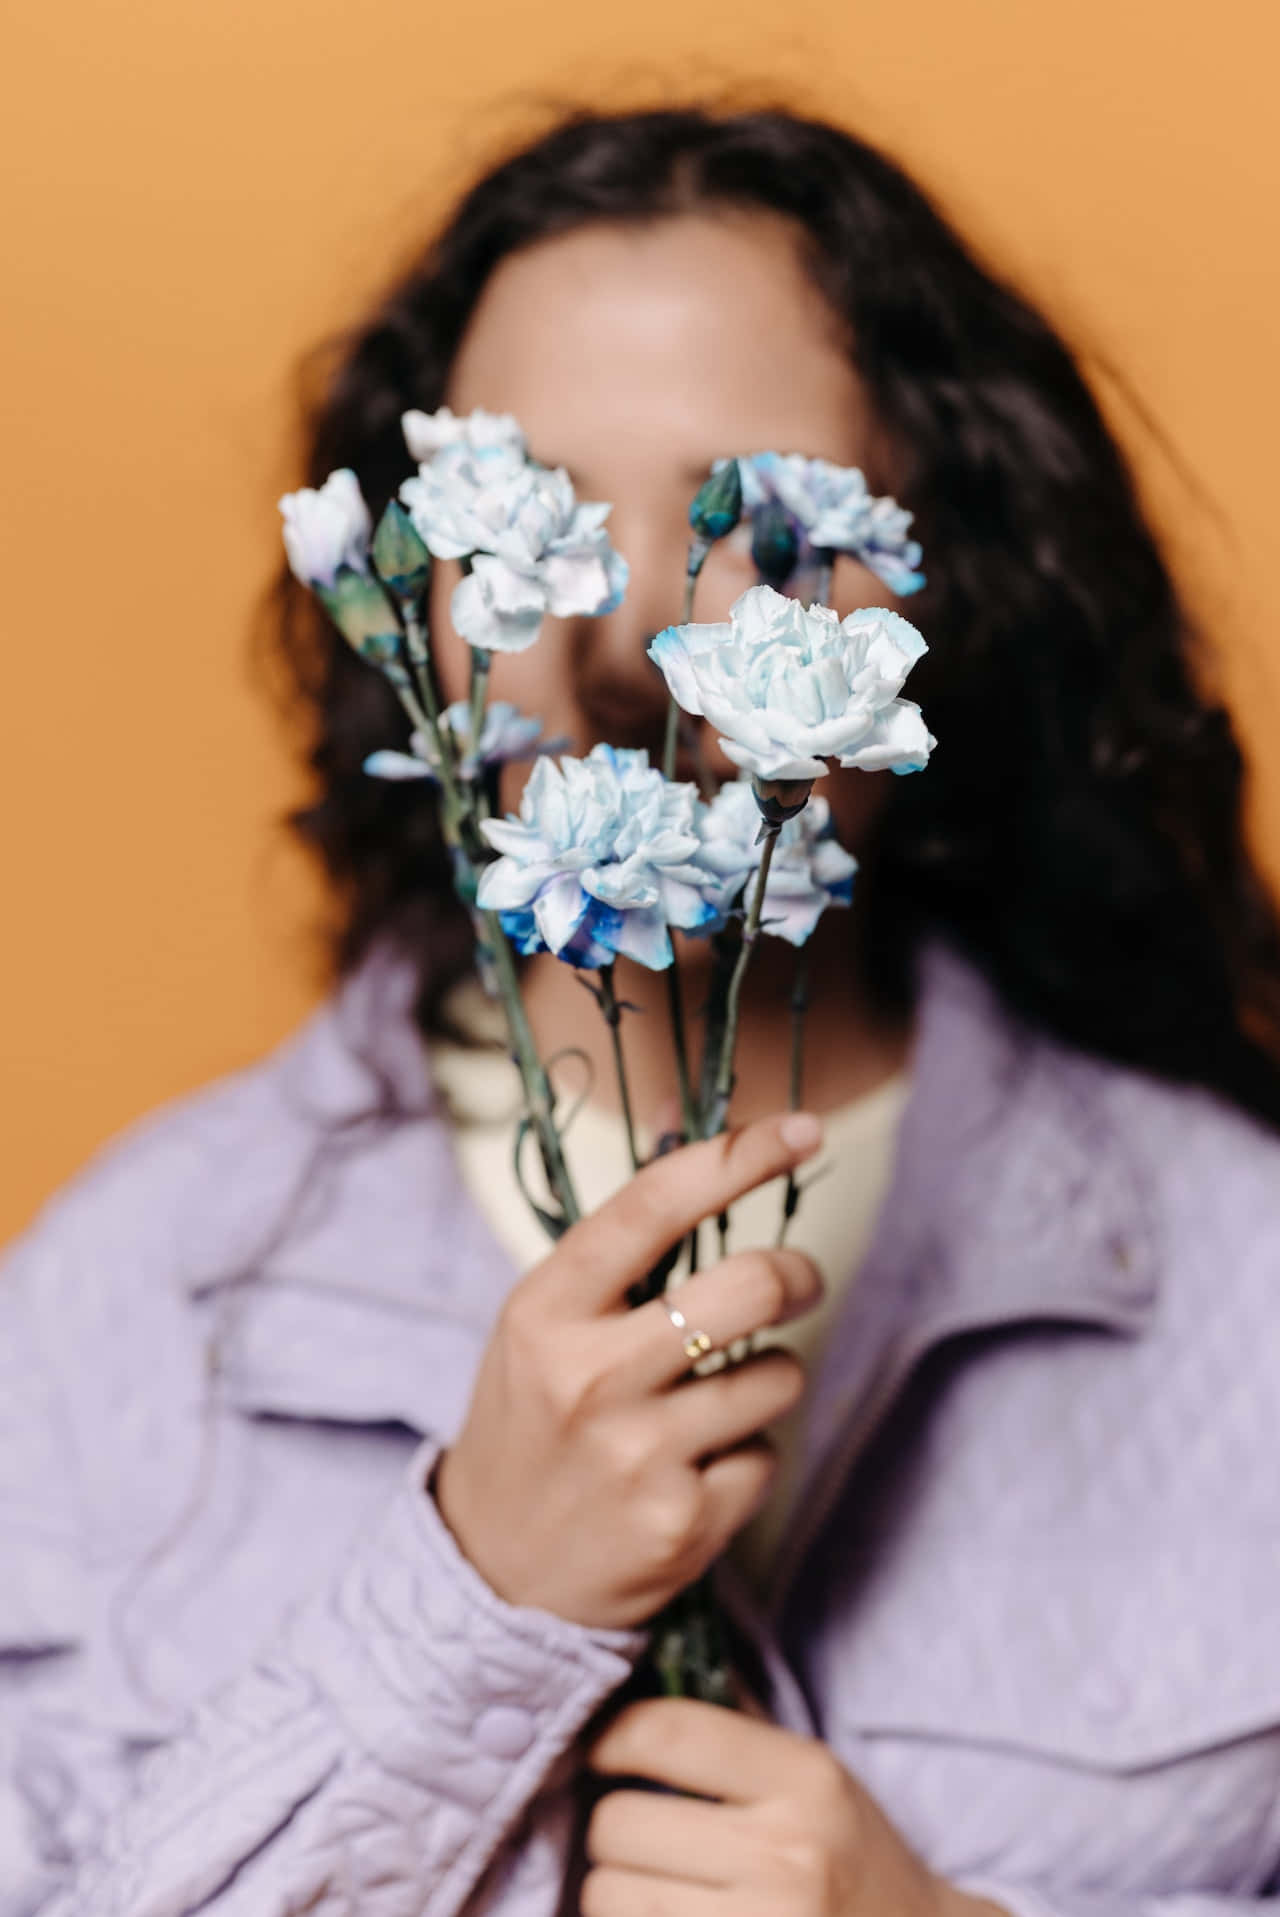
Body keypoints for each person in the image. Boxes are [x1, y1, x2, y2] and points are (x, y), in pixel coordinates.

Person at [5, 101, 1280, 1917]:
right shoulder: (129, 1297)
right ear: (412, 619)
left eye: (740, 523)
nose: (613, 639)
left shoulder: (1244, 1270)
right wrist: (473, 1598)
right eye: (523, 516)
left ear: (944, 596)